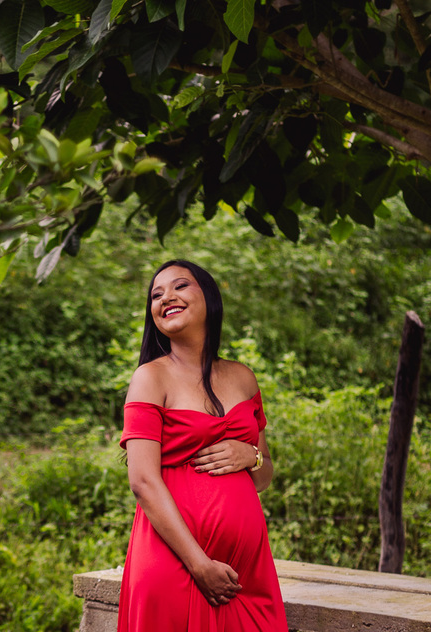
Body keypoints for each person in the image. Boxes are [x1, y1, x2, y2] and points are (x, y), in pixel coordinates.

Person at [117, 260, 287, 631]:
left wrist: (251, 456)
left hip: (246, 575)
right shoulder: (150, 377)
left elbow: (263, 477)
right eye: (156, 294)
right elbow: (142, 481)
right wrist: (200, 564)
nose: (166, 297)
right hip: (176, 565)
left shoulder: (243, 377)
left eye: (180, 286)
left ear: (209, 298)